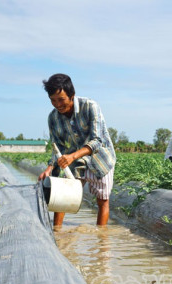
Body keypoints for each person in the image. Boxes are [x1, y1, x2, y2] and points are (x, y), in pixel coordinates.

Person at [38, 74, 116, 227]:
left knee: (102, 200)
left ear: (72, 95)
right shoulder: (53, 118)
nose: (57, 104)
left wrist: (72, 156)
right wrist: (49, 168)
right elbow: (57, 146)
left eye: (61, 99)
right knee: (62, 198)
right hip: (73, 161)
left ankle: (101, 242)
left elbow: (97, 140)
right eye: (53, 100)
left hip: (100, 159)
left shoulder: (90, 106)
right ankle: (57, 235)